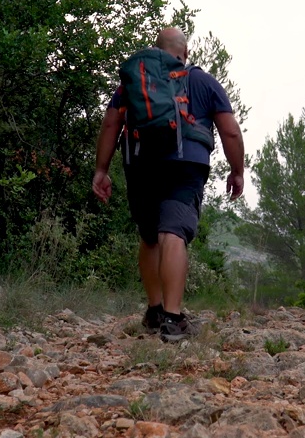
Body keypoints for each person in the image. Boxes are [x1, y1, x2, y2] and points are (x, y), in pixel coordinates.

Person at [92, 27, 245, 342]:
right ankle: (173, 320)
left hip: (140, 164)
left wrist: (101, 170)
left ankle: (154, 310)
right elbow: (230, 131)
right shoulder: (202, 81)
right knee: (172, 233)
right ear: (184, 53)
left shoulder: (134, 83)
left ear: (155, 51)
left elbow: (111, 123)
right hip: (185, 164)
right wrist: (237, 170)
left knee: (150, 237)